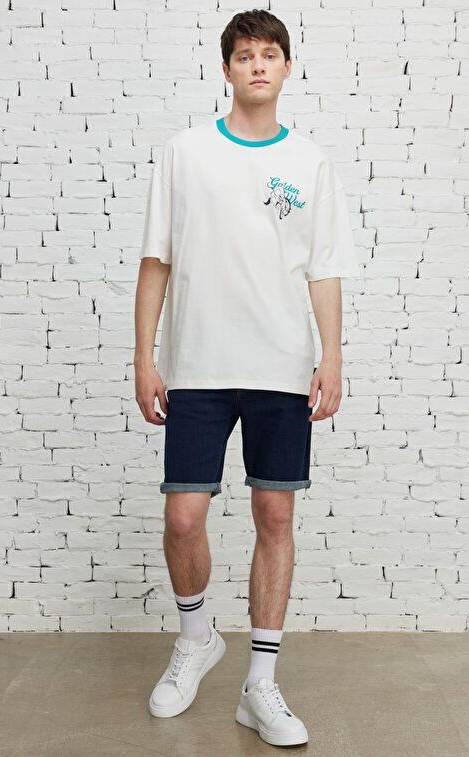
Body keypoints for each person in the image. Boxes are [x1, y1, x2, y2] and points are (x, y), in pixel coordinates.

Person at [134, 8, 360, 748]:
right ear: (226, 68)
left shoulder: (309, 163)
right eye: (244, 55)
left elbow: (323, 269)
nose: (257, 65)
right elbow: (156, 261)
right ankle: (196, 637)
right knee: (182, 517)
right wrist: (144, 357)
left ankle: (260, 684)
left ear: (287, 67)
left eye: (269, 54)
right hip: (197, 363)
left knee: (274, 516)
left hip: (280, 365)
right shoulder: (185, 153)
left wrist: (331, 355)